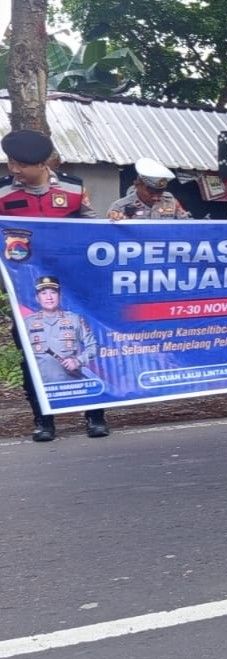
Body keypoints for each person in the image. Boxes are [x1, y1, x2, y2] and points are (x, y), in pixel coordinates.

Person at [0, 129, 109, 440]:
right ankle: (44, 421)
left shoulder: (73, 189)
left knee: (81, 347)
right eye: (11, 162)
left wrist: (113, 223)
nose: (13, 169)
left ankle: (95, 416)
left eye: (20, 164)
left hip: (72, 289)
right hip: (24, 292)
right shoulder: (3, 192)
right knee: (34, 355)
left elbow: (93, 228)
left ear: (41, 164)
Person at [107, 158, 192, 219]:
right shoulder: (121, 206)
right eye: (151, 192)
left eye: (160, 192)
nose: (156, 197)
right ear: (137, 185)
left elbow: (187, 225)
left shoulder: (171, 202)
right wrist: (117, 218)